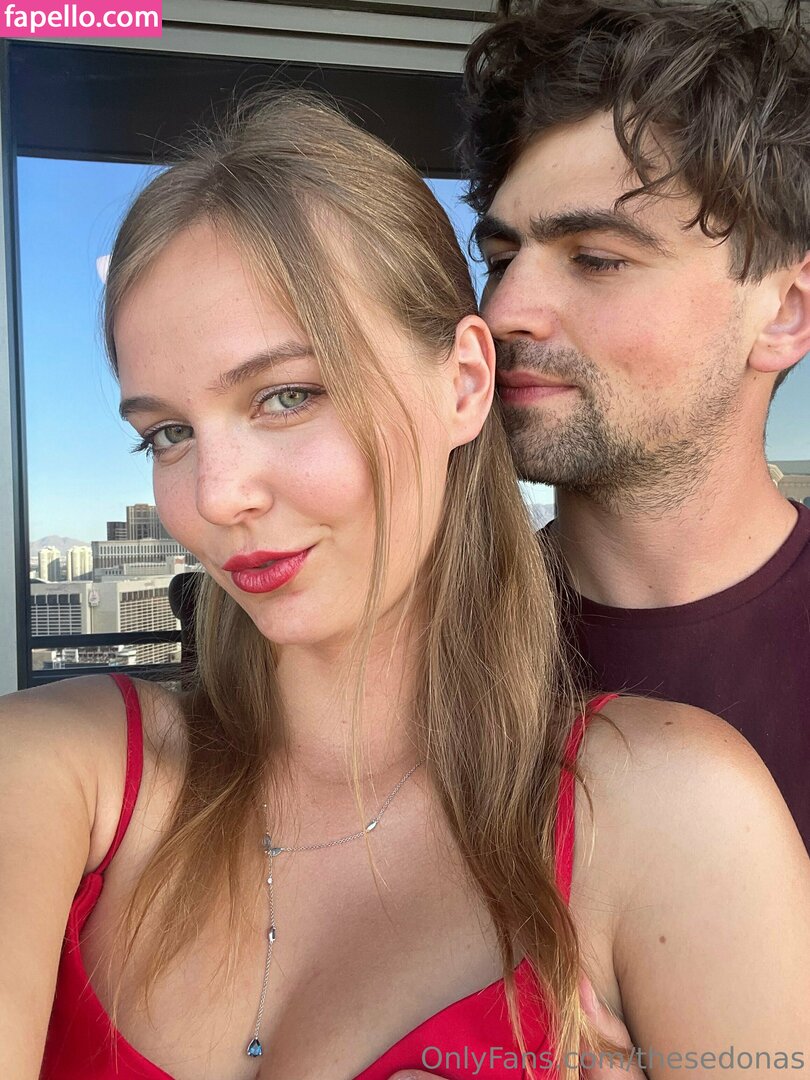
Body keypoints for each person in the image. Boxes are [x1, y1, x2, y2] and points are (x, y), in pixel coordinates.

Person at [2, 90, 808, 1080]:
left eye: (288, 394)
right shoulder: (59, 767)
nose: (214, 495)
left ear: (464, 382)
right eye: (168, 433)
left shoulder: (675, 815)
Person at [461, 0, 810, 850]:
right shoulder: (442, 650)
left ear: (784, 314)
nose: (502, 312)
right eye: (501, 260)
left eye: (597, 258)